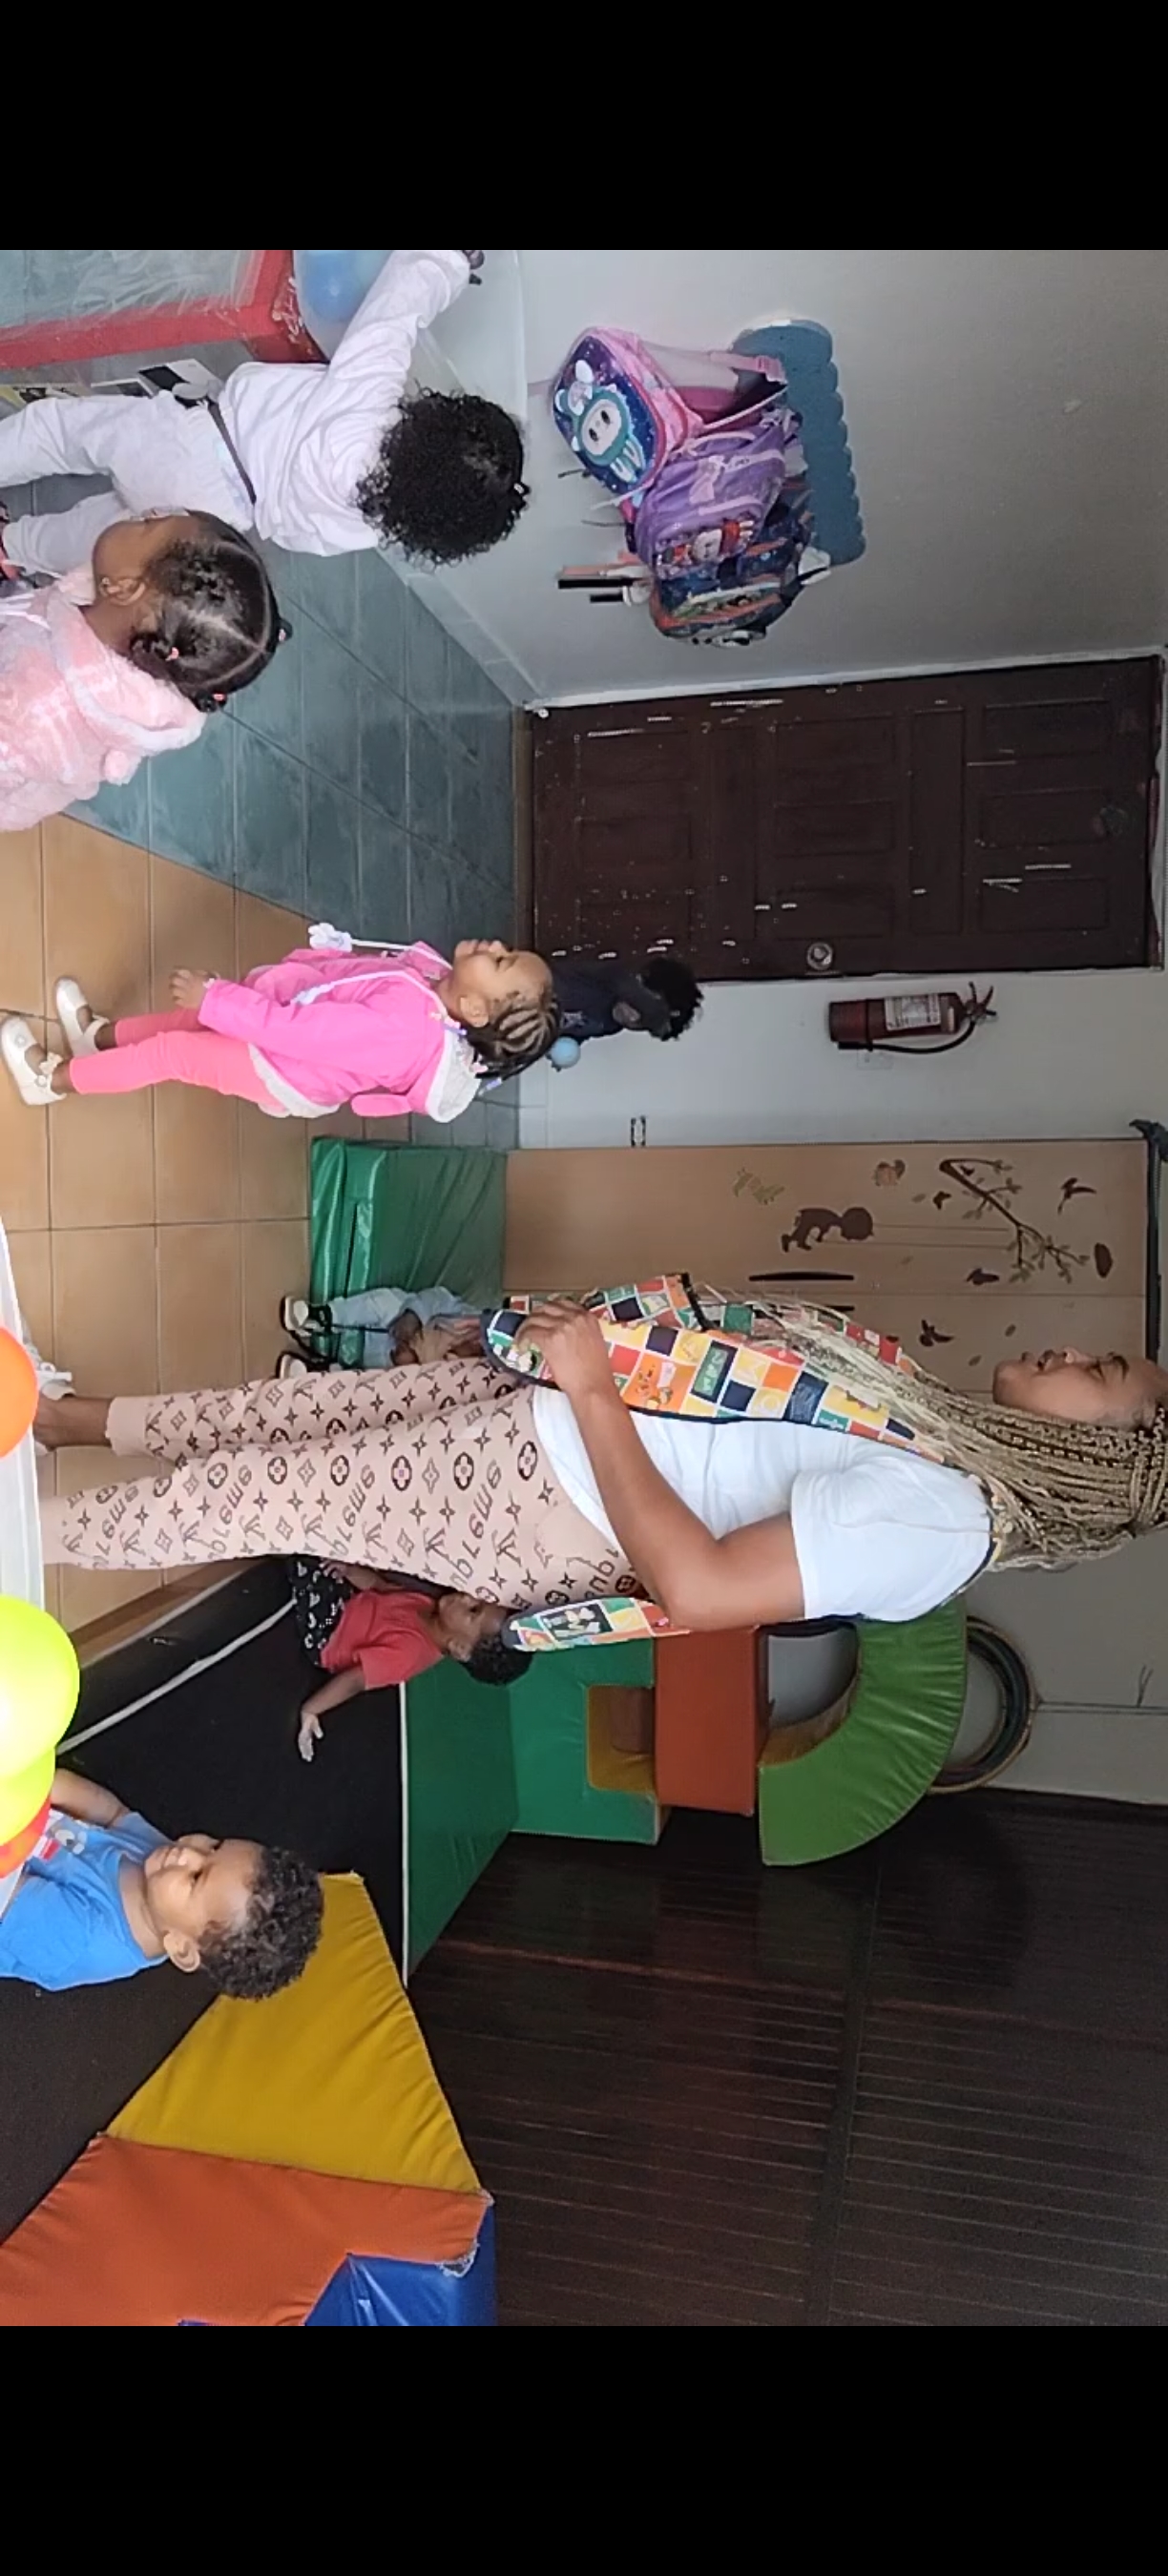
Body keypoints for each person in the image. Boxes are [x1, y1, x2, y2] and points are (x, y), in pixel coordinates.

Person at [31, 1290, 1168, 1628]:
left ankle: (25, 1538)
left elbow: (702, 1587)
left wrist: (588, 1388)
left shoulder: (944, 1526)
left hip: (545, 1491)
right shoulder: (935, 1427)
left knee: (256, 1495)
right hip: (546, 1413)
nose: (1073, 1352)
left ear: (1096, 1454)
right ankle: (60, 1419)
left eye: (1103, 1369)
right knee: (283, 1423)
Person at [0, 253, 529, 573]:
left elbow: (393, 315)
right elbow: (297, 536)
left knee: (61, 431)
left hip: (195, 445)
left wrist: (451, 260)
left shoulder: (368, 414)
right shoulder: (374, 523)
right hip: (214, 519)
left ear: (439, 423)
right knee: (102, 535)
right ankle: (11, 547)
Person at [2, 937, 560, 1122]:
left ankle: (52, 1080)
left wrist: (219, 999)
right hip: (277, 1024)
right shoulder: (433, 980)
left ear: (475, 1009)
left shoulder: (404, 1031)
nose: (494, 945)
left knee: (174, 1052)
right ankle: (98, 1040)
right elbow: (357, 980)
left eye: (501, 961)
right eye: (507, 949)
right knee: (189, 1022)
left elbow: (302, 1033)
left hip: (278, 1065)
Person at [0, 510, 285, 831]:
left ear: (124, 588)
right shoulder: (128, 626)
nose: (152, 512)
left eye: (149, 525)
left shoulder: (37, 709)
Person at [0, 1766, 323, 1996]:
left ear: (181, 1948)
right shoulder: (160, 1864)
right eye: (214, 1846)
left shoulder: (84, 1939)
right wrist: (44, 1784)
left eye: (196, 1878)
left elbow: (7, 1890)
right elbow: (112, 1813)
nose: (188, 1853)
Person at [289, 1557, 531, 1761]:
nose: (467, 1597)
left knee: (306, 1557)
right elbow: (379, 1586)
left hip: (328, 1634)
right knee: (328, 1554)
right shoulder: (427, 1603)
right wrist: (350, 1571)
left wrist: (312, 1709)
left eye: (473, 1610)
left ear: (459, 1648)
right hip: (348, 1601)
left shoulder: (409, 1655)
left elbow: (356, 1680)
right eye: (478, 1598)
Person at [281, 1283, 479, 1369]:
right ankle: (322, 1317)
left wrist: (412, 1362)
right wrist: (413, 1316)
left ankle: (320, 1373)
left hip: (401, 1366)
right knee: (389, 1302)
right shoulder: (474, 1319)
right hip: (401, 1328)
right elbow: (438, 1298)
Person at [553, 954, 703, 1049]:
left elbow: (577, 1029)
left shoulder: (610, 1026)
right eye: (640, 1009)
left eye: (642, 1025)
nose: (632, 1019)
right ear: (639, 982)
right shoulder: (605, 977)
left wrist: (564, 1045)